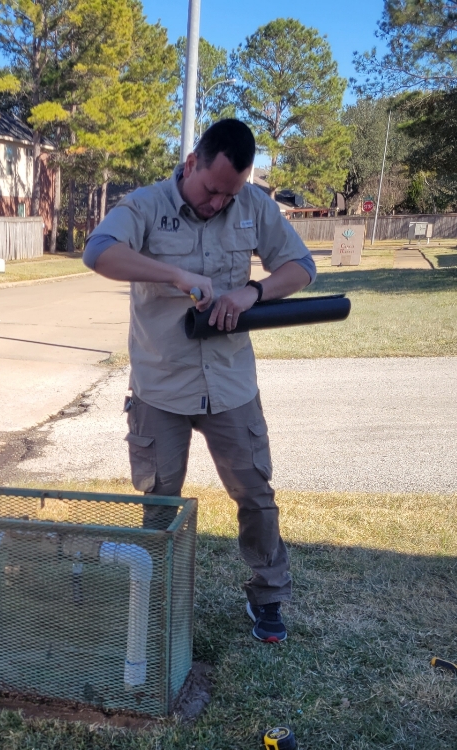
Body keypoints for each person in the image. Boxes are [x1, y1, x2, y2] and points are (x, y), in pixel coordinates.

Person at [82, 118, 316, 644]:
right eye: (212, 190)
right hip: (160, 389)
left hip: (231, 386)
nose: (218, 203)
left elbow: (301, 266)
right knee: (161, 500)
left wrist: (252, 293)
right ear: (191, 164)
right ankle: (156, 600)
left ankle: (268, 596)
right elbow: (98, 252)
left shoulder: (252, 204)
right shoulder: (144, 205)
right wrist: (175, 274)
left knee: (255, 494)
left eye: (229, 193)